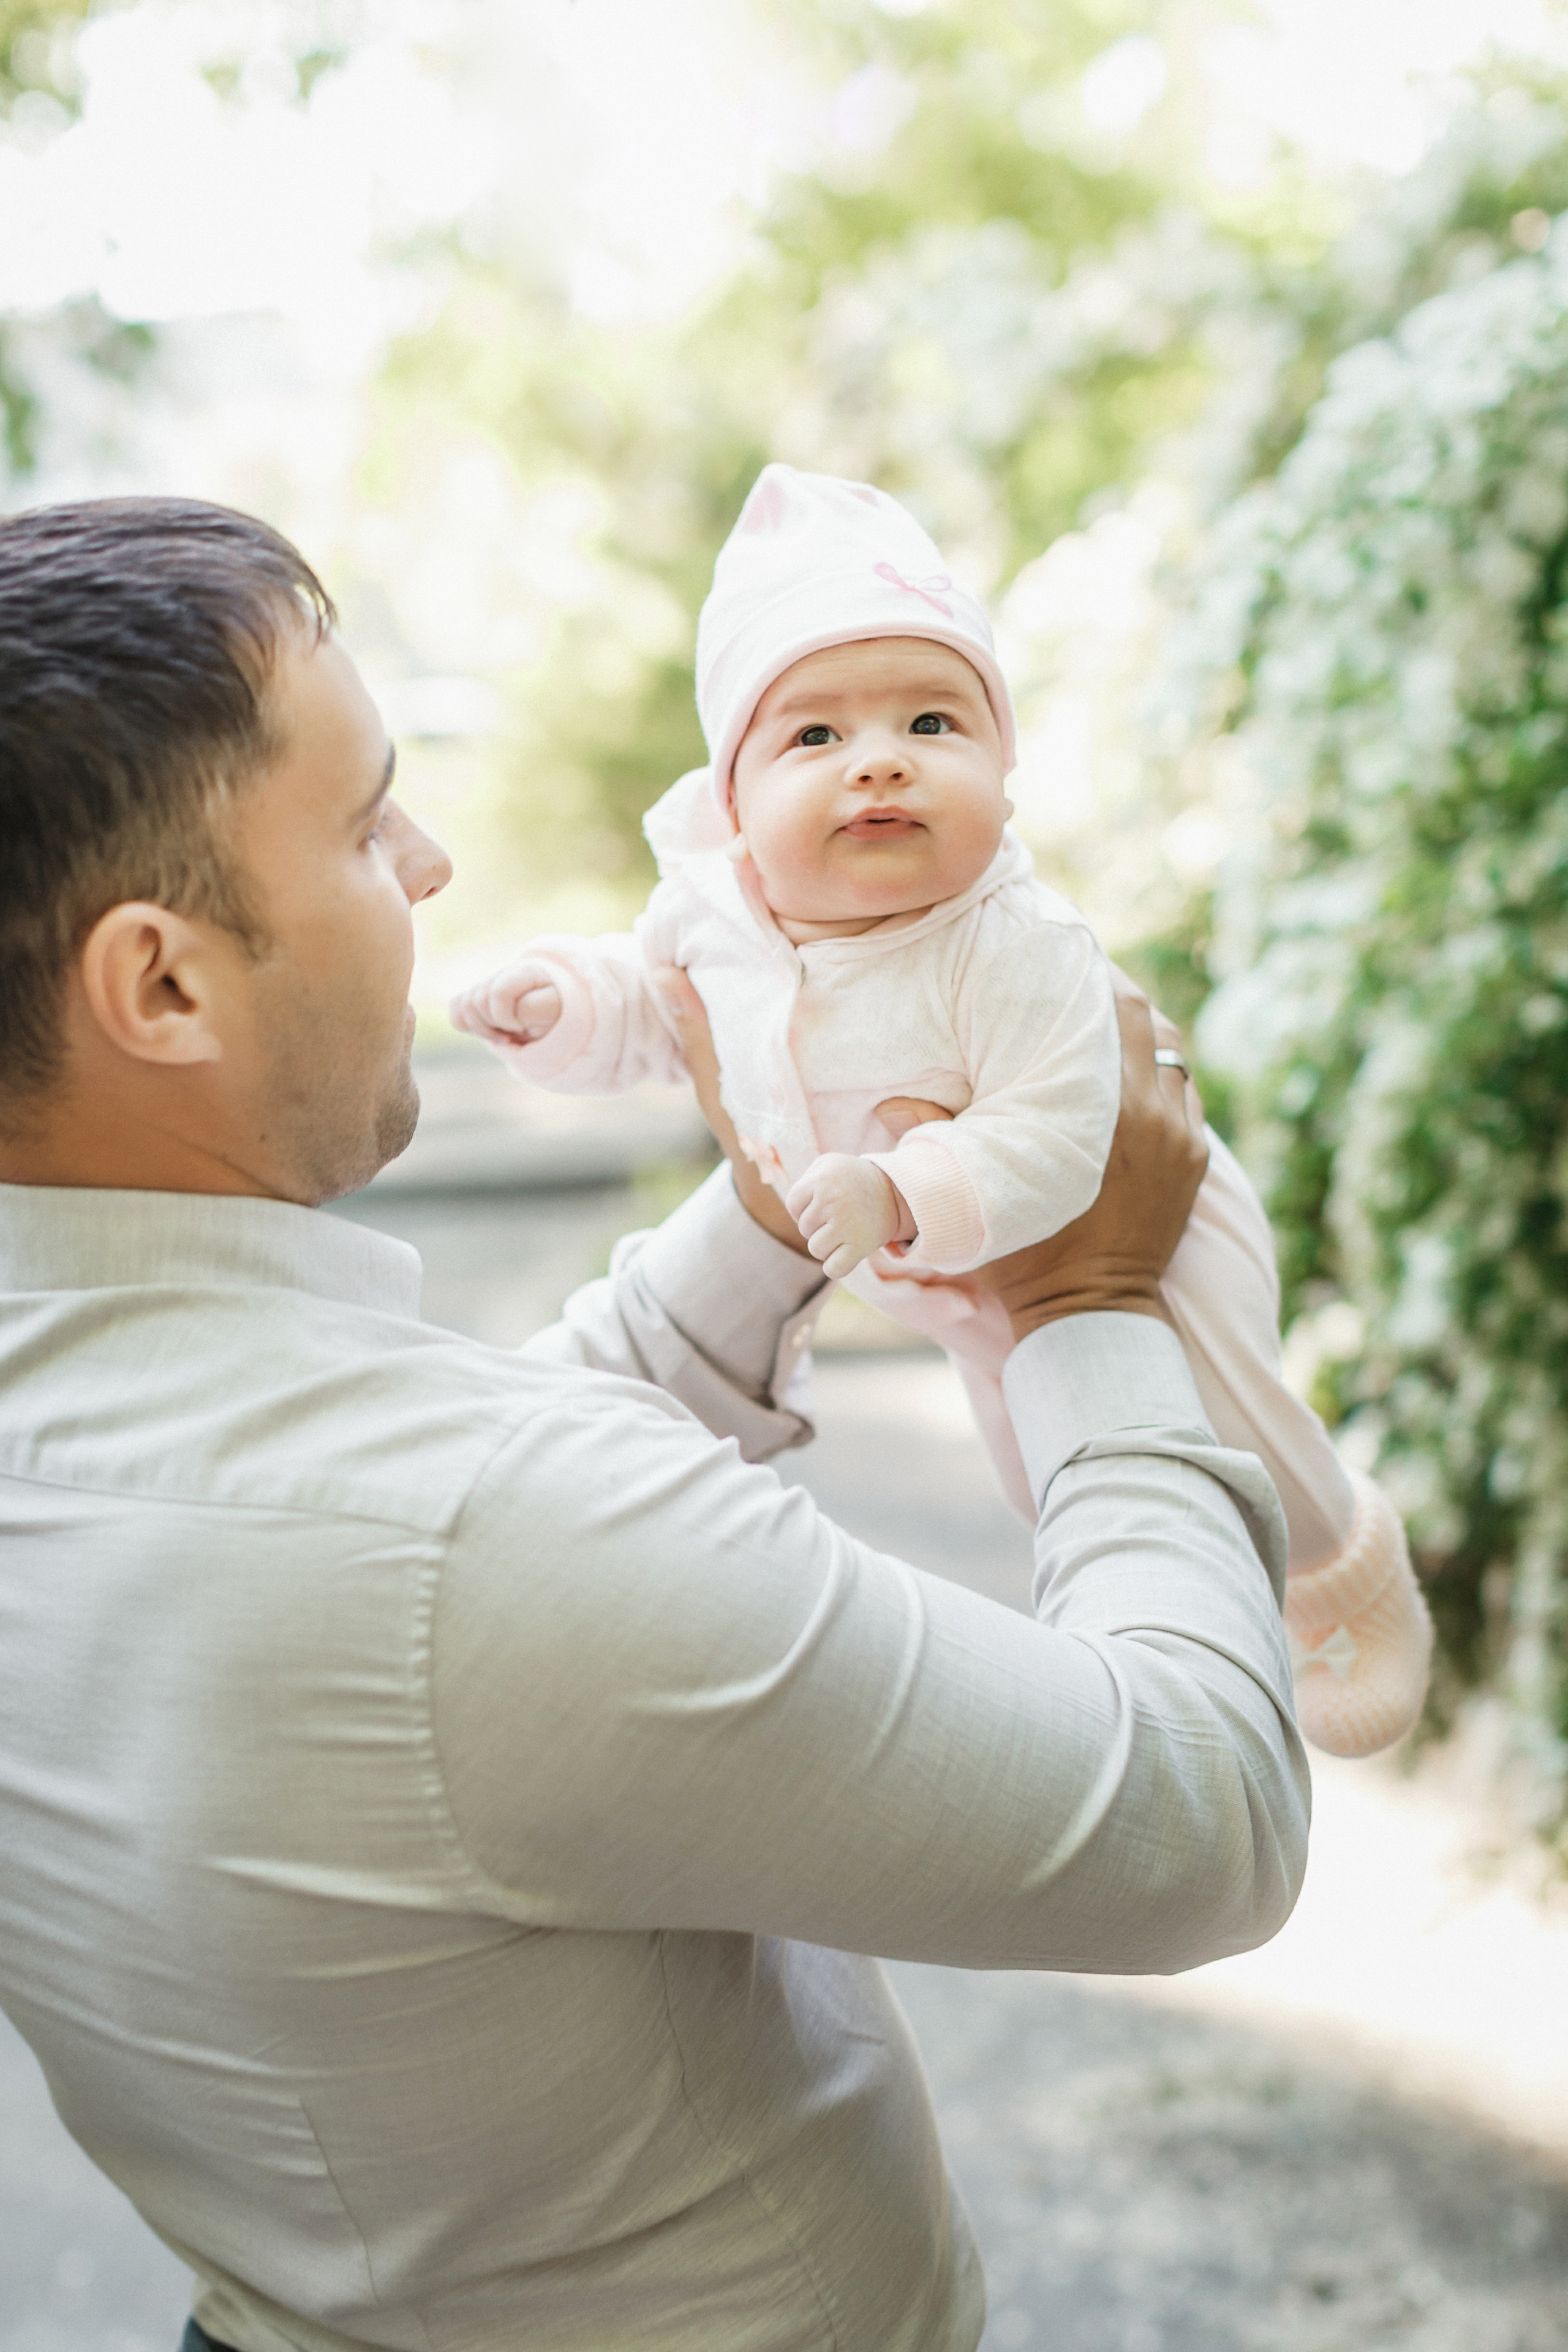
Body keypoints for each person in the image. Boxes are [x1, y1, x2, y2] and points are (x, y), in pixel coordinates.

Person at [0, 496, 1307, 2352]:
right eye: (371, 826)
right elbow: (1196, 1819)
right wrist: (1089, 1301)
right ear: (162, 982)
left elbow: (426, 1546)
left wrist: (789, 1204)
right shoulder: (470, 1549)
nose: (439, 867)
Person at [451, 462, 1433, 1762]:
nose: (877, 766)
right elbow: (658, 1009)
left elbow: (1056, 1129)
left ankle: (1342, 1563)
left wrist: (899, 1193)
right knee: (1053, 1480)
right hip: (952, 1277)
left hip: (1137, 1231)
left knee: (1225, 1416)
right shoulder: (717, 914)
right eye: (814, 736)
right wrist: (561, 1004)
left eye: (930, 724)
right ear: (735, 800)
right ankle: (1212, 1631)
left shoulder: (1005, 941)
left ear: (1003, 774)